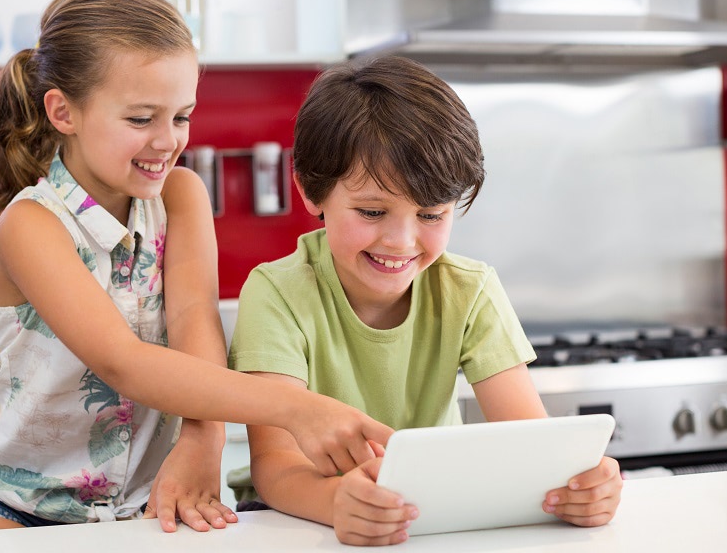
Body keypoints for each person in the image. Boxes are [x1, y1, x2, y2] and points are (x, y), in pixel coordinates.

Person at [0, 0, 392, 536]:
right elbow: (122, 362)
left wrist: (205, 436)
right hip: (11, 502)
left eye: (181, 116)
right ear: (63, 112)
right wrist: (296, 408)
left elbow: (195, 321)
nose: (167, 140)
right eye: (141, 118)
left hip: (150, 502)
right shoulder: (32, 224)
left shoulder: (181, 197)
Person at [227, 55, 624, 546]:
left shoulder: (469, 290)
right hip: (295, 519)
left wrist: (581, 487)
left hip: (426, 518)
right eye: (372, 211)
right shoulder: (277, 292)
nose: (401, 240)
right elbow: (276, 466)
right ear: (312, 191)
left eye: (431, 214)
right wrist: (336, 501)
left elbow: (530, 443)